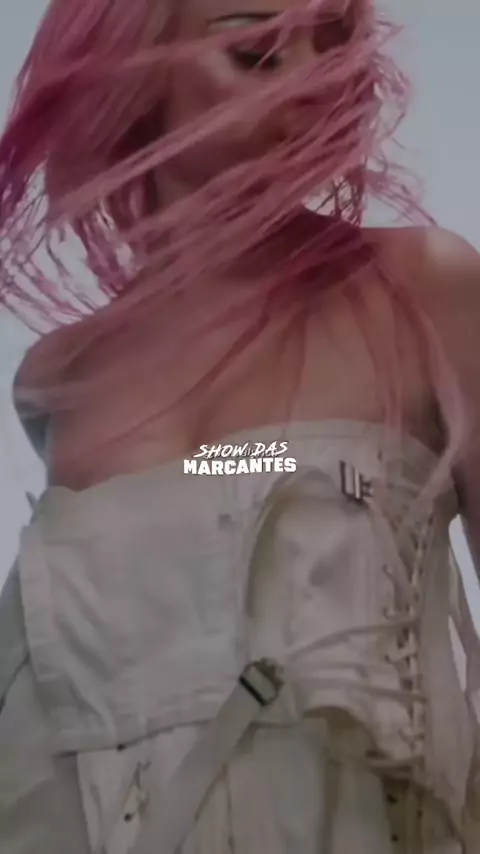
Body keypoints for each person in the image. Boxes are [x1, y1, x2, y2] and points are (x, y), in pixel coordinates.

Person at [1, 0, 480, 850]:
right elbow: (217, 475)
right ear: (133, 72)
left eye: (331, 48)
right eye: (256, 51)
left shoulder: (423, 292)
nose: (308, 82)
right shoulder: (60, 380)